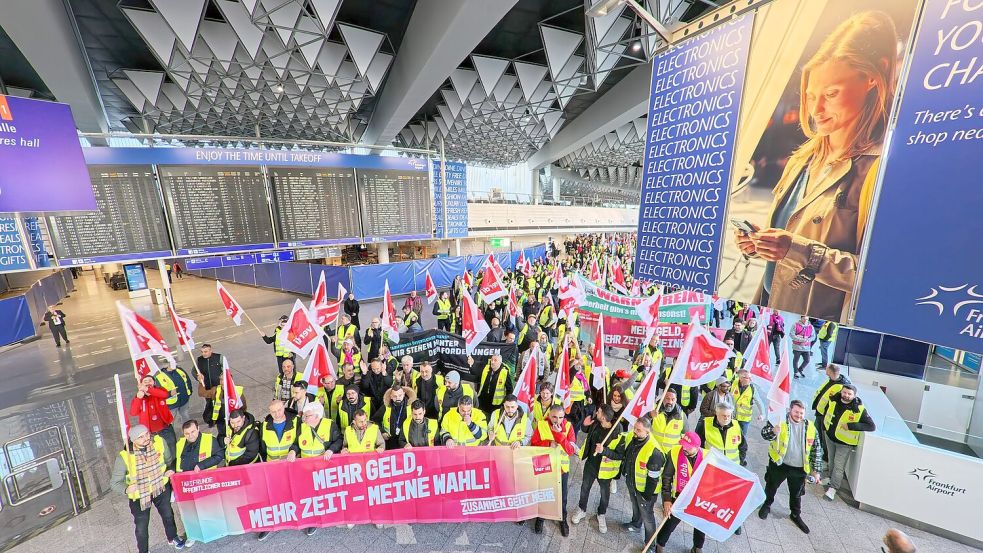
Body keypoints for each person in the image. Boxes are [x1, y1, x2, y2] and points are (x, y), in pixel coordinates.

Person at [734, 11, 899, 320]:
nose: (816, 110)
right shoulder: (802, 160)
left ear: (874, 78)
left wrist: (796, 251)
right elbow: (789, 239)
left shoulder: (881, 170)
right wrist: (759, 243)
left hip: (815, 327)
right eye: (810, 96)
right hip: (771, 307)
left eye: (831, 94)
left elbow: (884, 277)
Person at [110, 424, 185, 552]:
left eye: (146, 434)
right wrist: (127, 489)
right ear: (133, 440)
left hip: (160, 487)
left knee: (168, 515)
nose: (146, 438)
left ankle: (172, 537)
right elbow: (114, 483)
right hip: (140, 496)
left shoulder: (159, 442)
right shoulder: (124, 457)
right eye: (140, 437)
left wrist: (170, 469)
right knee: (141, 526)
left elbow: (169, 460)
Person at [598, 416, 663, 542]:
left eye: (639, 430)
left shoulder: (654, 452)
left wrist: (647, 496)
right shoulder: (632, 437)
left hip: (646, 490)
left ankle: (650, 545)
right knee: (635, 506)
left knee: (648, 517)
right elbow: (622, 453)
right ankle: (635, 524)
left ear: (647, 432)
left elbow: (653, 479)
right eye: (635, 428)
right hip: (632, 483)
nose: (635, 432)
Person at [758, 400, 816, 534]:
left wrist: (816, 471)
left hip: (799, 468)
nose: (799, 415)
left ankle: (795, 514)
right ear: (790, 410)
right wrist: (773, 430)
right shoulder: (779, 421)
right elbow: (764, 434)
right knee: (771, 486)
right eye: (796, 412)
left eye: (801, 413)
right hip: (780, 464)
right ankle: (766, 505)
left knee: (796, 494)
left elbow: (816, 449)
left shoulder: (811, 427)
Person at [287, 401, 340, 538]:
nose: (304, 418)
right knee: (309, 496)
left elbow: (338, 440)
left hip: (323, 469)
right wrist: (293, 451)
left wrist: (331, 450)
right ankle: (313, 520)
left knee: (323, 494)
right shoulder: (303, 426)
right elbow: (296, 443)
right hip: (305, 469)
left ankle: (326, 515)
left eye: (307, 416)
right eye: (304, 415)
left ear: (317, 416)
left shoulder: (330, 425)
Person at [655, 432, 708, 553]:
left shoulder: (707, 456)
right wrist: (667, 500)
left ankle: (697, 547)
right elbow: (666, 477)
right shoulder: (674, 452)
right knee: (670, 524)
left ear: (697, 447)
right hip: (680, 495)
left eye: (688, 447)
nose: (684, 448)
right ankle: (659, 544)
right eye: (683, 445)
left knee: (700, 525)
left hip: (699, 497)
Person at [530, 404, 577, 537]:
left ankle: (562, 519)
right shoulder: (541, 425)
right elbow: (533, 444)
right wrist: (548, 444)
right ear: (549, 415)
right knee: (543, 494)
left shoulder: (568, 427)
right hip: (544, 467)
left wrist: (559, 435)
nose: (557, 420)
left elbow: (571, 450)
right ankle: (541, 518)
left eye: (561, 417)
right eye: (554, 417)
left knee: (562, 497)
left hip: (561, 469)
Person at [822, 384, 875, 501]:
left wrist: (850, 426)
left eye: (849, 394)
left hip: (844, 443)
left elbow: (871, 426)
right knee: (831, 461)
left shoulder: (859, 409)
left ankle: (833, 488)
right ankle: (831, 479)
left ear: (854, 395)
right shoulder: (834, 399)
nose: (846, 395)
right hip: (830, 437)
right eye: (844, 392)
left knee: (838, 466)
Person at [572, 405, 618, 533]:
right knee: (585, 487)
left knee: (604, 493)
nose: (596, 412)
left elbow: (620, 454)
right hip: (591, 464)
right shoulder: (596, 423)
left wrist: (605, 451)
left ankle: (601, 514)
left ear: (603, 417)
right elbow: (586, 430)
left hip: (605, 468)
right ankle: (581, 509)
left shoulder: (617, 430)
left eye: (598, 412)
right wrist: (585, 425)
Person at [130, 374, 177, 457]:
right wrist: (138, 398)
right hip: (149, 434)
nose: (148, 382)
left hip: (165, 429)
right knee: (155, 454)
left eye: (150, 380)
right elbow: (133, 412)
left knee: (172, 449)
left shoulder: (159, 391)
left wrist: (147, 389)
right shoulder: (139, 396)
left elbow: (165, 395)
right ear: (140, 385)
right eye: (145, 381)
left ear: (154, 383)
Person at [812, 364, 851, 462]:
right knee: (816, 435)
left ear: (830, 371)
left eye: (827, 369)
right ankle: (816, 453)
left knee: (823, 438)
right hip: (820, 413)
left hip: (825, 417)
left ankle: (825, 459)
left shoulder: (841, 386)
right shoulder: (832, 380)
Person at [731, 369, 765, 465]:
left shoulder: (752, 389)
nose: (749, 379)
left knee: (742, 439)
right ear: (741, 378)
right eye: (747, 378)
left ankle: (741, 459)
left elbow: (759, 401)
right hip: (733, 417)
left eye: (750, 377)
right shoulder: (734, 383)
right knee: (732, 436)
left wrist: (762, 414)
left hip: (744, 420)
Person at [375, 385, 414, 450]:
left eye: (400, 395)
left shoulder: (411, 406)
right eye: (395, 396)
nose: (398, 398)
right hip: (390, 441)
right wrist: (382, 432)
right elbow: (375, 421)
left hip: (406, 442)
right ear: (391, 396)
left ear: (404, 394)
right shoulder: (385, 407)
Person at [195, 344, 224, 425]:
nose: (204, 353)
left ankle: (221, 418)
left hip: (218, 387)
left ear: (211, 350)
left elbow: (225, 370)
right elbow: (194, 371)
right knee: (209, 403)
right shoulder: (199, 360)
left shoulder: (219, 357)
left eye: (206, 351)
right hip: (207, 388)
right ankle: (210, 420)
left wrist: (223, 380)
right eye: (202, 352)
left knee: (220, 403)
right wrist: (198, 377)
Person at [651, 388, 686, 453]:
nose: (670, 402)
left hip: (672, 454)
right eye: (667, 398)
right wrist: (649, 415)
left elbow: (685, 435)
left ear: (676, 400)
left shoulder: (682, 416)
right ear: (662, 398)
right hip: (654, 452)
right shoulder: (653, 410)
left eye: (673, 399)